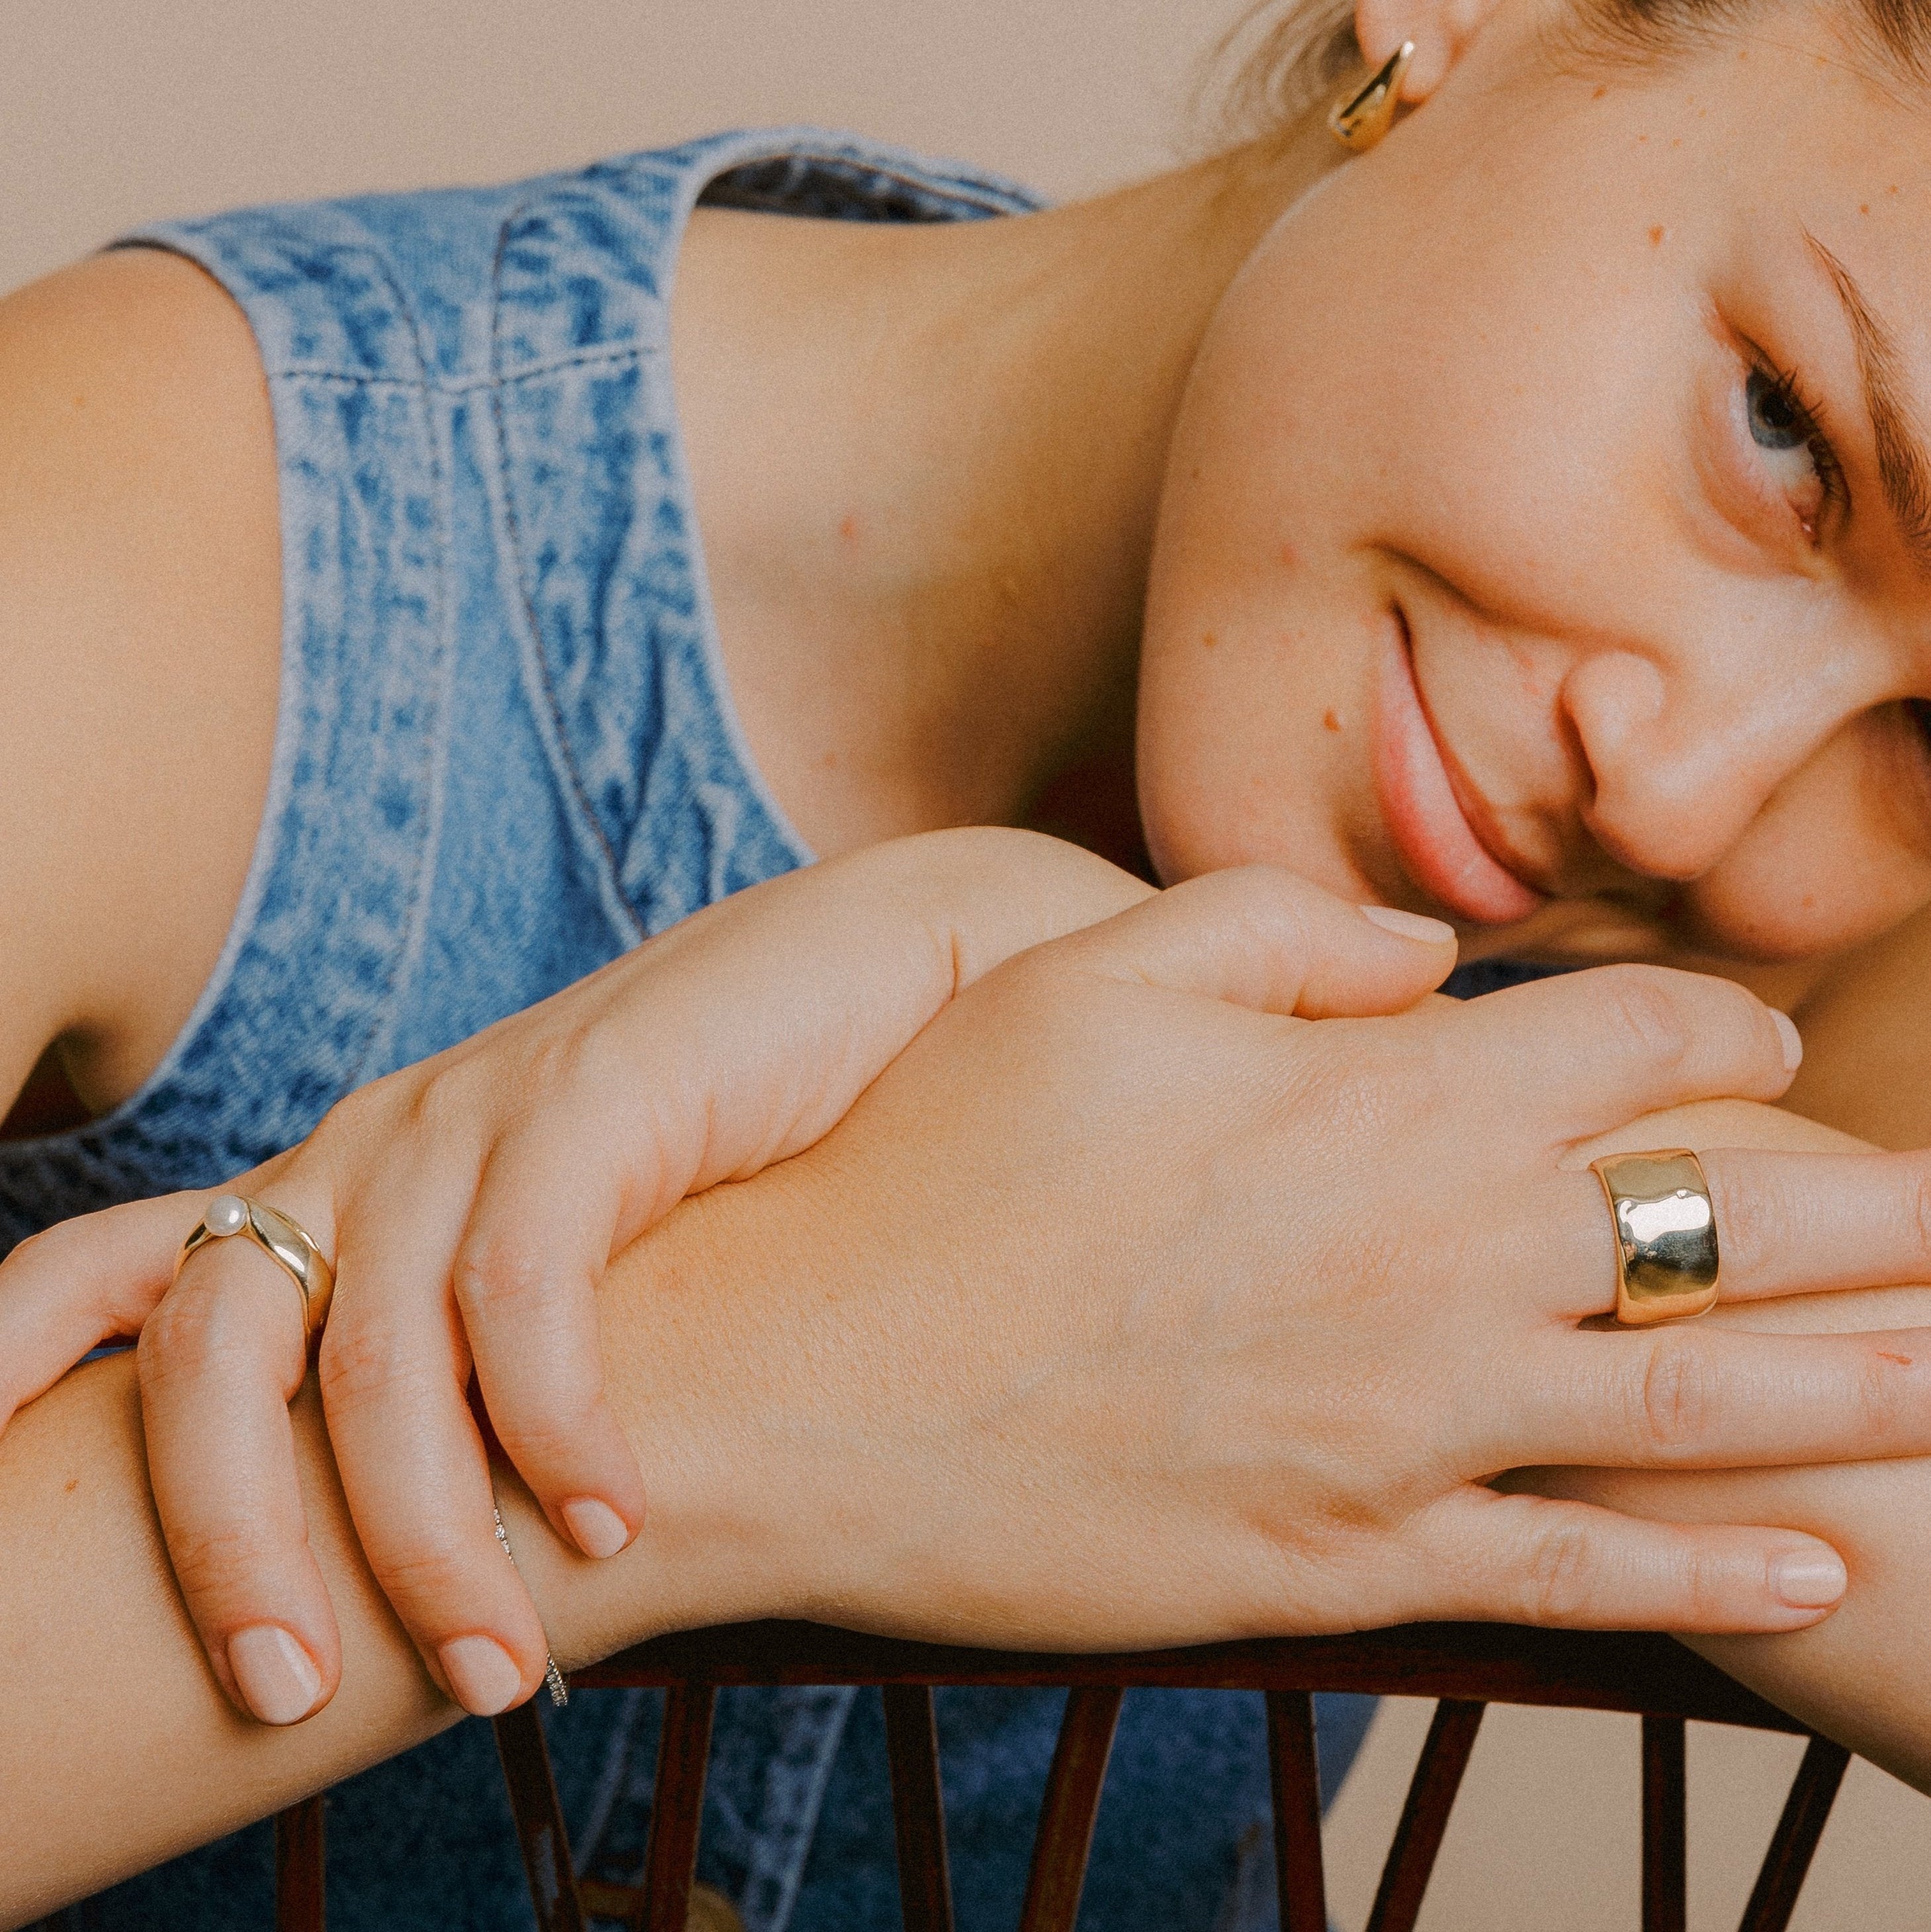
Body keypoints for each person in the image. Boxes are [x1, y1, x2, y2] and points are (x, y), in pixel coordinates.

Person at [9, 0, 1931, 1917]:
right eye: (1787, 431)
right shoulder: (140, 525)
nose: (1688, 800)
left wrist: (1047, 955)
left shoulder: (1788, 974)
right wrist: (769, 1355)